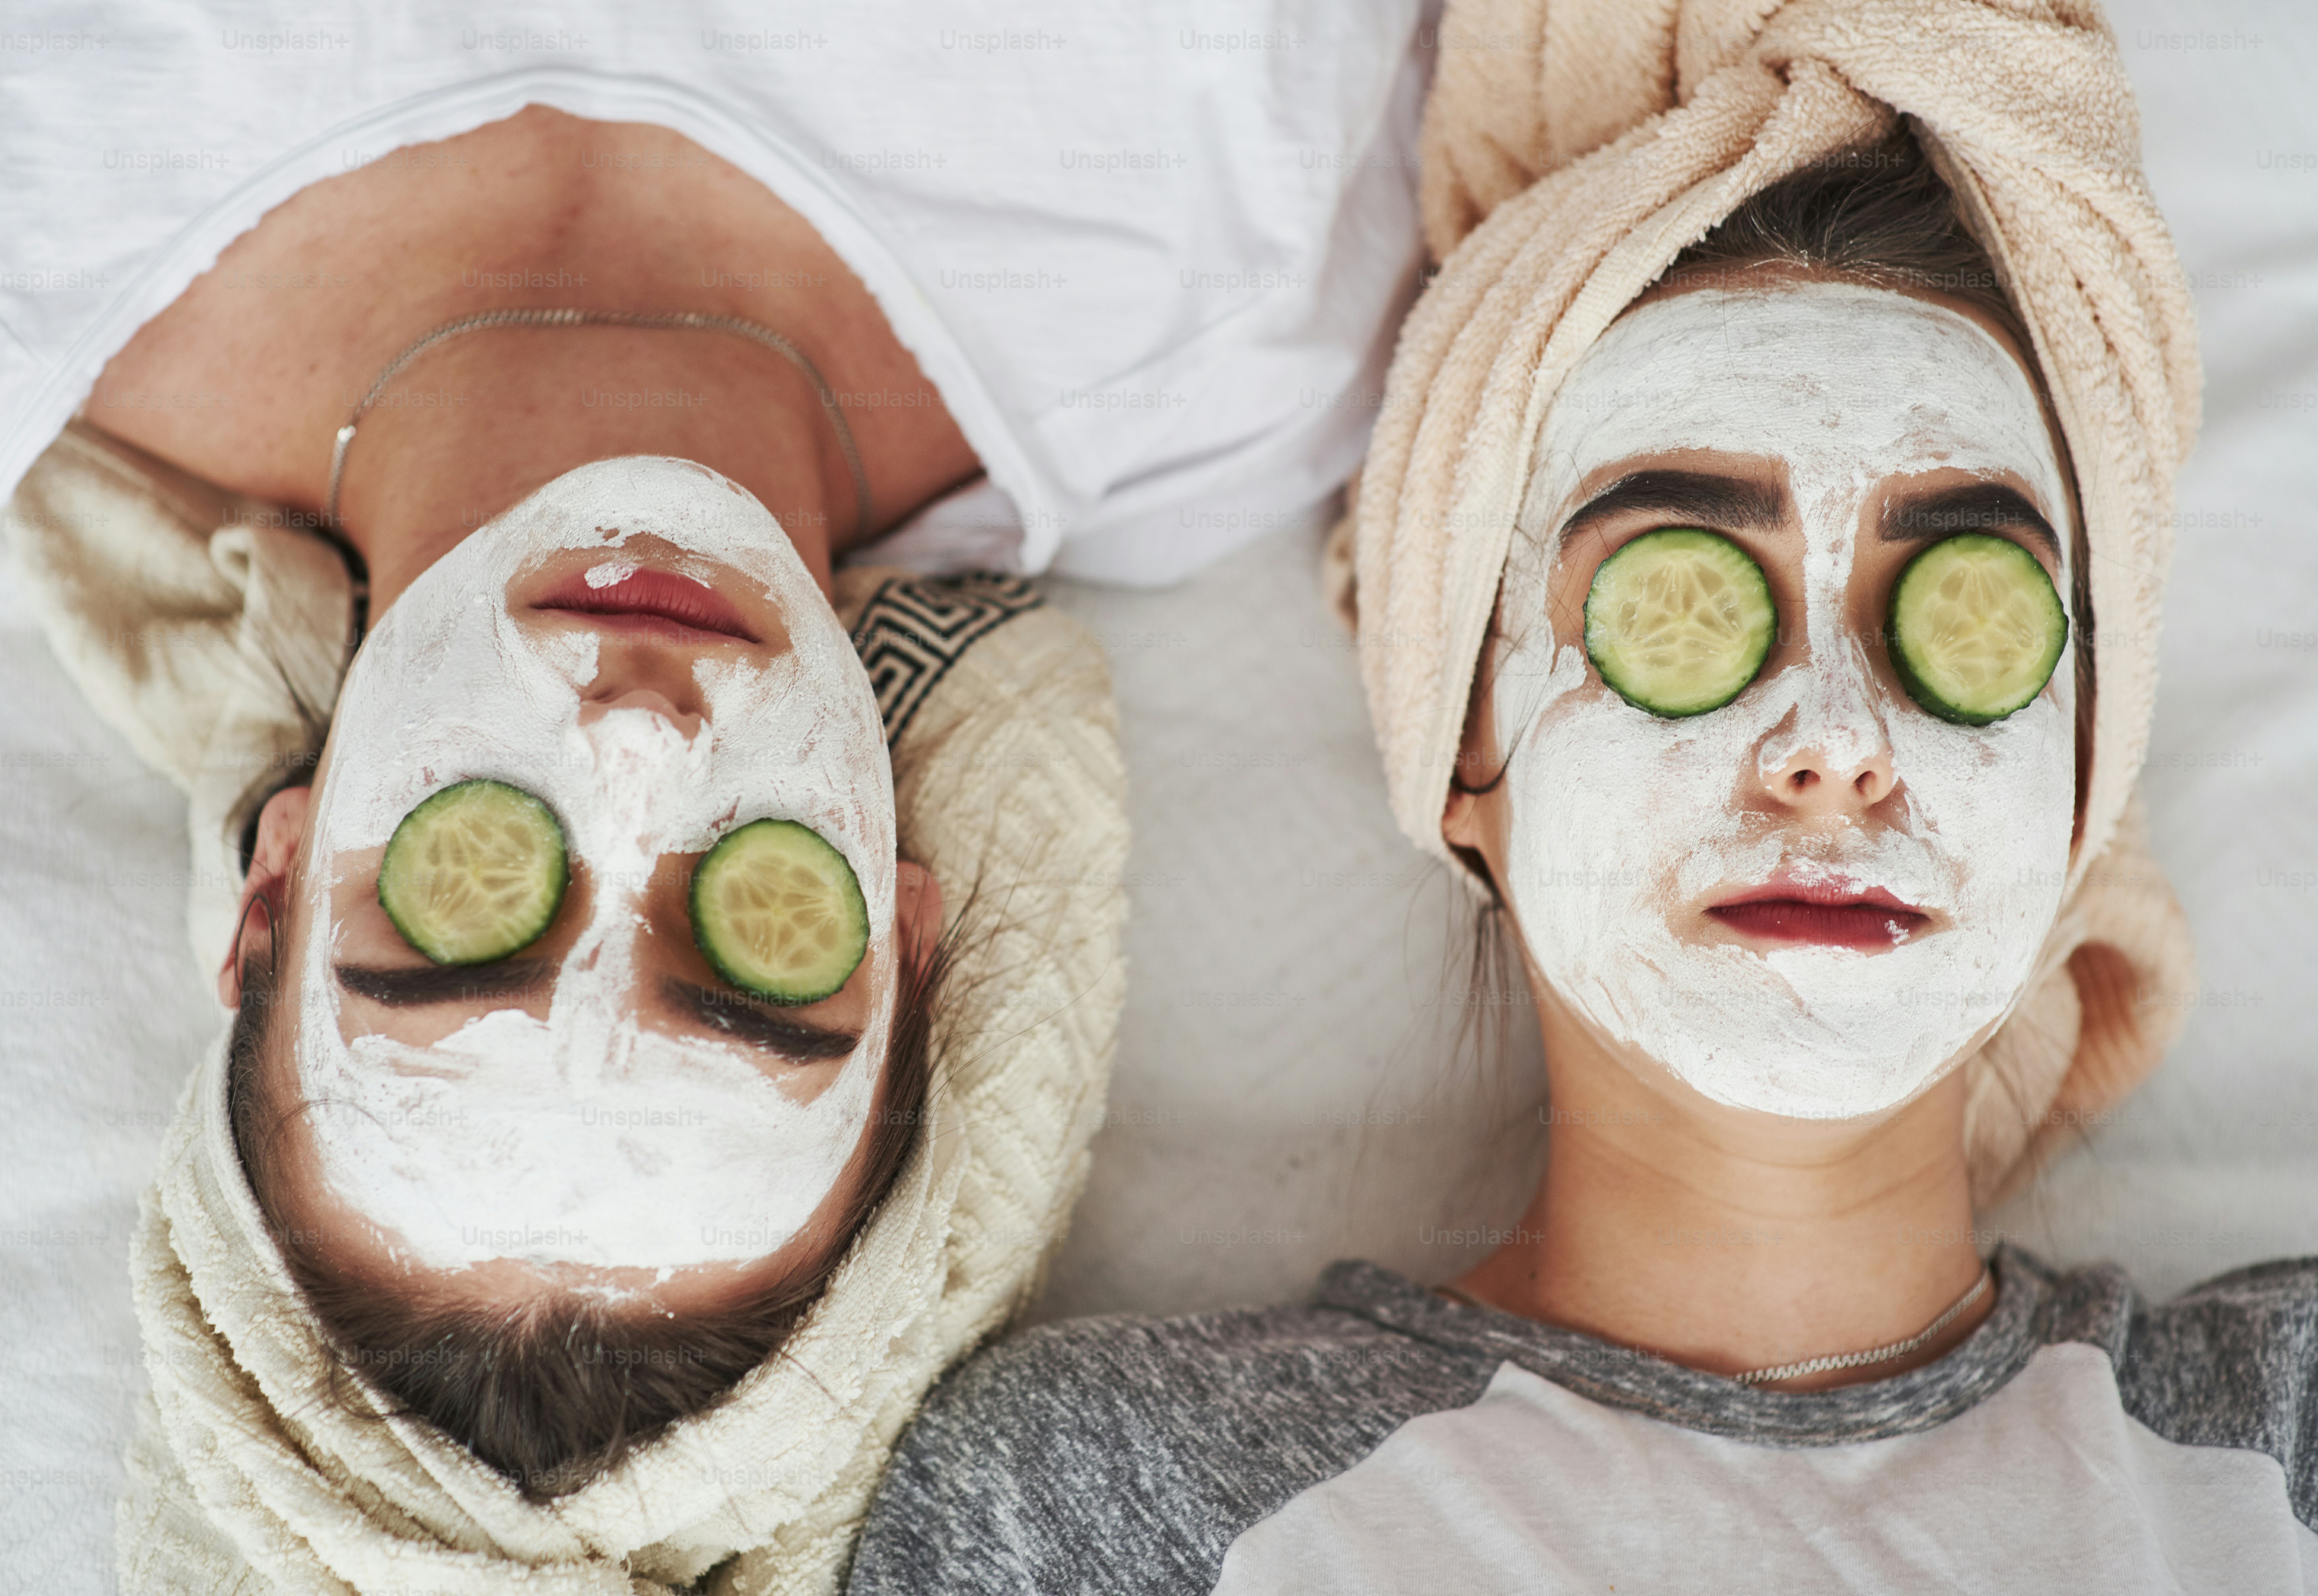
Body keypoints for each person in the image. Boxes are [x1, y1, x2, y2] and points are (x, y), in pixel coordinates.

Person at [841, 6, 2311, 1592]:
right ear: (1466, 747)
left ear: (2087, 769)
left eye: (1963, 618)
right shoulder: (1097, 1496)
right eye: (1680, 606)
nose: (1831, 740)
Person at [0, 13, 1446, 1572]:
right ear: (907, 930)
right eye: (758, 936)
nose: (638, 744)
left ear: (272, 879)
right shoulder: (1236, 339)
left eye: (472, 899)